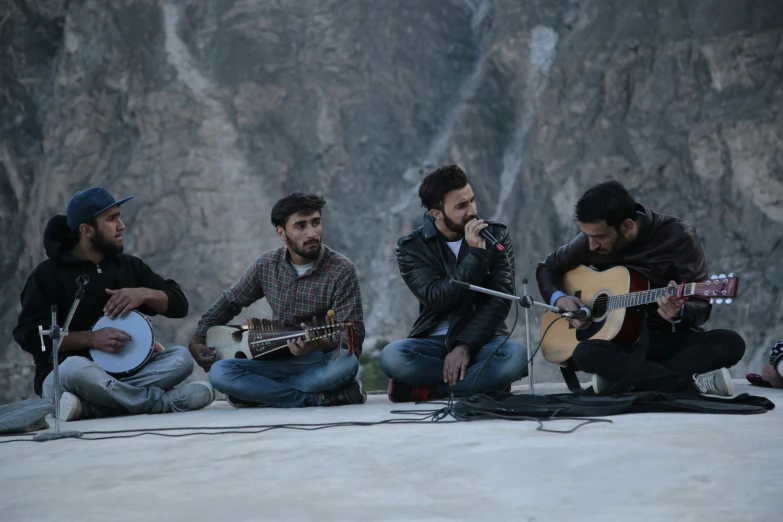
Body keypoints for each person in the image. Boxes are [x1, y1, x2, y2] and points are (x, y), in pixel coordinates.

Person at [13, 187, 214, 421]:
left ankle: (91, 408)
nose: (121, 225)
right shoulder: (46, 275)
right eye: (111, 219)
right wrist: (91, 338)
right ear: (86, 230)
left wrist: (144, 294)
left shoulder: (128, 266)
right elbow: (28, 336)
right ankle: (156, 403)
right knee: (74, 367)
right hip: (68, 379)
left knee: (181, 358)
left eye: (119, 216)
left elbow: (180, 305)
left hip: (125, 376)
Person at [536, 180, 745, 396]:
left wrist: (679, 312)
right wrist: (560, 300)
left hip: (666, 340)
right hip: (620, 346)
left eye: (598, 237)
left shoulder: (678, 237)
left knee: (731, 343)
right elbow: (547, 268)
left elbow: (701, 307)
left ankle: (627, 380)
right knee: (586, 353)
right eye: (587, 236)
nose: (591, 246)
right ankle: (689, 384)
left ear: (626, 226)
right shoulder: (591, 240)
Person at [190, 192, 367, 407]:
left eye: (316, 223)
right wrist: (198, 338)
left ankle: (260, 392)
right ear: (281, 233)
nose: (312, 233)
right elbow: (230, 302)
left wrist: (316, 344)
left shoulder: (341, 269)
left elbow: (353, 337)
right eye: (300, 226)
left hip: (319, 360)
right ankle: (315, 398)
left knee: (346, 363)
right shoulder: (267, 264)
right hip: (276, 358)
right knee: (220, 373)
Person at [380, 165, 528, 402]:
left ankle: (430, 390)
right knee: (393, 357)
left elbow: (500, 300)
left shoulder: (497, 236)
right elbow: (439, 298)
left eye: (472, 201)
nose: (472, 211)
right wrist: (476, 256)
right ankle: (481, 385)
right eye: (461, 206)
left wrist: (465, 346)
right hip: (434, 345)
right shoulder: (411, 248)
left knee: (516, 356)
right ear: (437, 213)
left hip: (482, 340)